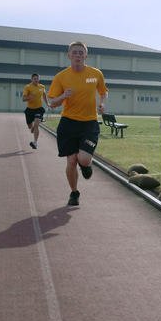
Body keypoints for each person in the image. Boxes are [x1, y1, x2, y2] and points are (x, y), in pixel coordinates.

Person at [48, 41, 108, 206]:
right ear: (69, 55)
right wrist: (63, 96)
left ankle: (86, 165)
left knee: (83, 158)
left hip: (89, 123)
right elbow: (52, 103)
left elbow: (103, 92)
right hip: (68, 123)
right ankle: (74, 193)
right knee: (71, 161)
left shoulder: (95, 74)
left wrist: (102, 104)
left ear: (86, 55)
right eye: (74, 52)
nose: (78, 55)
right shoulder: (61, 77)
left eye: (81, 53)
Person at [22, 73, 50, 149]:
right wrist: (29, 97)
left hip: (39, 109)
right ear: (32, 79)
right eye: (35, 79)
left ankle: (35, 143)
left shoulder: (42, 86)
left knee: (37, 125)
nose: (36, 80)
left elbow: (44, 95)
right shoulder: (28, 87)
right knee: (30, 127)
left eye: (37, 79)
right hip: (29, 110)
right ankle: (33, 126)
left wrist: (47, 103)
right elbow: (23, 99)